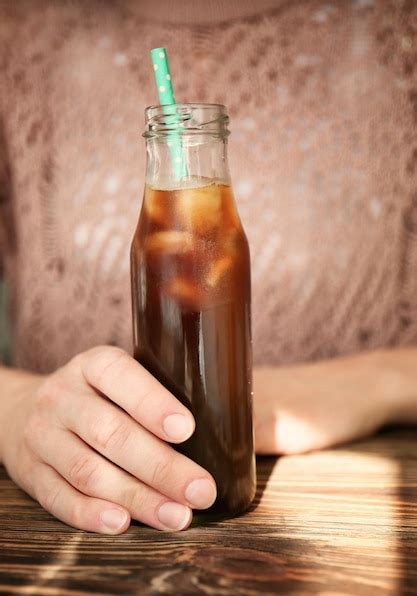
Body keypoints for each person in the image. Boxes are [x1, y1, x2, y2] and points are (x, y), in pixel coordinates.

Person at [1, 0, 417, 535]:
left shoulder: (399, 21)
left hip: (335, 514)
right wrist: (14, 407)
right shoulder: (17, 28)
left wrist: (374, 380)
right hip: (98, 529)